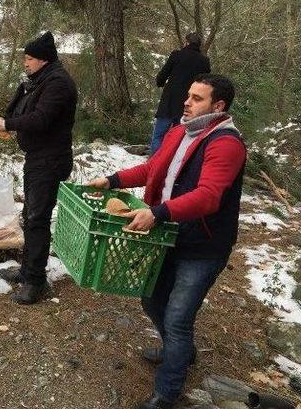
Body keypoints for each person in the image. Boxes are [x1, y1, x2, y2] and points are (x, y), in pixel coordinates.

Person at [88, 74, 246, 409]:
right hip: (168, 235)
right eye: (188, 95)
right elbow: (152, 170)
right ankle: (180, 350)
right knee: (151, 300)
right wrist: (113, 180)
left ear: (218, 106)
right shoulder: (181, 131)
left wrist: (158, 213)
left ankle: (167, 392)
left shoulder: (225, 143)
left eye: (197, 98)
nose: (186, 102)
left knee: (177, 317)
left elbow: (208, 197)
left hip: (203, 245)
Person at [0, 31, 77, 305]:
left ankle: (35, 281)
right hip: (38, 158)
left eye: (29, 58)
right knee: (31, 214)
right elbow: (22, 110)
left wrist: (8, 125)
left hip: (50, 160)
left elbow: (41, 119)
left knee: (37, 218)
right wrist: (9, 113)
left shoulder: (58, 84)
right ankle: (28, 270)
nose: (25, 63)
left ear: (44, 60)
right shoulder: (39, 80)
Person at [151, 33, 210, 155]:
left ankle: (153, 163)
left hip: (169, 101)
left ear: (187, 42)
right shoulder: (204, 61)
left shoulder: (176, 55)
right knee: (178, 138)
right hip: (189, 103)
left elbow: (162, 76)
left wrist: (160, 83)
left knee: (159, 135)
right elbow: (206, 84)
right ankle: (168, 165)